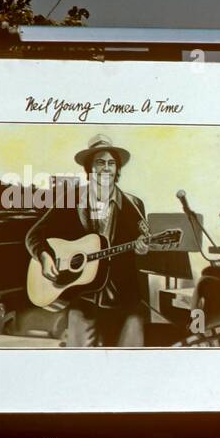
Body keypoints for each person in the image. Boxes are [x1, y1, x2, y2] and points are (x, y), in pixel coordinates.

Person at [25, 133, 151, 347]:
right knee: (80, 363)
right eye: (100, 162)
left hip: (126, 300)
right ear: (89, 168)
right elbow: (33, 235)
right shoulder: (71, 199)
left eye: (112, 163)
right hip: (82, 299)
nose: (106, 168)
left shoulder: (134, 204)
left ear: (117, 169)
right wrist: (44, 257)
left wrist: (142, 249)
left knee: (130, 363)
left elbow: (143, 246)